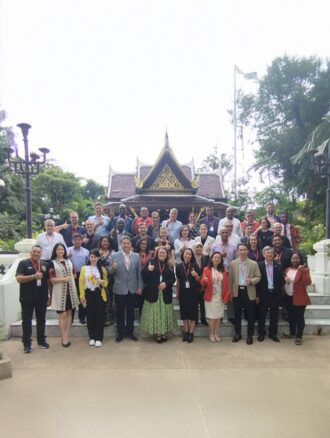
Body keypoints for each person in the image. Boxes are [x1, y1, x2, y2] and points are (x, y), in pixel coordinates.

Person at [15, 245, 50, 353]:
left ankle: (41, 340)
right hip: (27, 298)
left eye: (38, 252)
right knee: (26, 321)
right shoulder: (23, 263)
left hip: (41, 297)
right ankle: (27, 344)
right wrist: (32, 277)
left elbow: (48, 282)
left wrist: (49, 296)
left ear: (41, 253)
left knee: (41, 319)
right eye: (34, 251)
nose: (36, 253)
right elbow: (18, 278)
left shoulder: (44, 264)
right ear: (30, 252)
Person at [109, 236, 143, 342]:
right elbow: (109, 272)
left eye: (128, 243)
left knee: (130, 312)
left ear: (131, 245)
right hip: (119, 288)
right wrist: (113, 268)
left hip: (132, 288)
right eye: (124, 243)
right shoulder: (114, 256)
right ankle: (121, 333)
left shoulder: (136, 256)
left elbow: (139, 273)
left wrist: (140, 287)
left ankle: (130, 332)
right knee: (120, 312)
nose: (126, 245)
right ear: (121, 244)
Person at [140, 247, 177, 343]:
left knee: (163, 314)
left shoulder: (169, 264)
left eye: (164, 252)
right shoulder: (151, 262)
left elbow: (173, 279)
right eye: (160, 252)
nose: (162, 254)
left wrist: (166, 284)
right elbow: (143, 276)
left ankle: (163, 332)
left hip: (165, 293)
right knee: (155, 314)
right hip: (153, 293)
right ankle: (157, 333)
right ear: (157, 253)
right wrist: (148, 270)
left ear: (167, 254)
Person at [228, 243, 261, 345]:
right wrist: (230, 292)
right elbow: (230, 280)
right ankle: (238, 334)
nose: (242, 252)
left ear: (247, 251)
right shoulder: (233, 263)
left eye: (244, 250)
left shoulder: (254, 264)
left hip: (249, 290)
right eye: (240, 250)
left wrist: (252, 280)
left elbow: (258, 277)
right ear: (237, 251)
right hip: (237, 291)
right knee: (237, 315)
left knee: (250, 315)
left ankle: (249, 335)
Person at [48, 243, 79, 347]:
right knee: (63, 314)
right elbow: (52, 279)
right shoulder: (52, 263)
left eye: (62, 249)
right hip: (60, 291)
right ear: (55, 251)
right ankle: (63, 337)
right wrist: (64, 279)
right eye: (58, 249)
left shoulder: (69, 261)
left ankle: (67, 334)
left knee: (70, 313)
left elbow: (74, 274)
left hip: (70, 291)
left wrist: (72, 277)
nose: (60, 251)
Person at [79, 249, 108, 347]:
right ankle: (92, 337)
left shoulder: (102, 269)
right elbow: (81, 283)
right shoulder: (84, 268)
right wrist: (82, 296)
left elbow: (106, 283)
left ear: (98, 258)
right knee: (89, 316)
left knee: (99, 316)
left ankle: (99, 338)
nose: (93, 259)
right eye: (91, 257)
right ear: (89, 258)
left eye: (95, 257)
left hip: (99, 293)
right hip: (88, 294)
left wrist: (101, 282)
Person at [283, 253, 311, 345]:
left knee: (299, 317)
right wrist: (285, 279)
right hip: (288, 297)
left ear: (300, 259)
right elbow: (286, 278)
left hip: (299, 297)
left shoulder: (304, 269)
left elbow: (308, 282)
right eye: (293, 258)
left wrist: (303, 271)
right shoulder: (288, 269)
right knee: (291, 317)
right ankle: (292, 333)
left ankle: (299, 336)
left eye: (297, 258)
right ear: (290, 260)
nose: (295, 260)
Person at [256, 246, 283, 342]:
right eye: (267, 253)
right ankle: (261, 333)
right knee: (261, 314)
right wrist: (257, 295)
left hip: (274, 294)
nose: (270, 254)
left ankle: (273, 333)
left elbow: (280, 282)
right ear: (263, 254)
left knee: (274, 315)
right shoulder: (259, 265)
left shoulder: (278, 265)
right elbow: (257, 282)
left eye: (271, 253)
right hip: (263, 293)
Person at [201, 252, 229, 342]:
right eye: (215, 257)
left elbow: (226, 284)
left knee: (218, 317)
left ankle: (216, 333)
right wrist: (204, 281)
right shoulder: (206, 269)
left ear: (221, 260)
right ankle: (211, 334)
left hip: (220, 296)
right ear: (212, 259)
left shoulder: (224, 270)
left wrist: (226, 295)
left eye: (219, 258)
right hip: (210, 296)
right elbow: (202, 282)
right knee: (212, 317)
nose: (217, 259)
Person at [175, 248, 201, 343]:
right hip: (183, 293)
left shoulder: (195, 266)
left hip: (193, 292)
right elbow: (178, 281)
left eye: (189, 254)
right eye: (186, 254)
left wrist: (196, 276)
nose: (188, 256)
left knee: (193, 313)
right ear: (183, 255)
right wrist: (177, 293)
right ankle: (186, 332)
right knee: (184, 313)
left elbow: (200, 280)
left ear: (191, 256)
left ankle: (191, 333)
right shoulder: (178, 266)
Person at [67, 233, 90, 324]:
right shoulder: (67, 250)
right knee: (72, 296)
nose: (77, 241)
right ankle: (71, 318)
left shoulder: (86, 251)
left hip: (82, 275)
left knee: (82, 296)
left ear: (81, 241)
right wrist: (66, 256)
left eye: (79, 240)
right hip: (71, 275)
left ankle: (82, 317)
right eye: (75, 240)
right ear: (72, 241)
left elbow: (88, 264)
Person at [98, 236, 115, 326]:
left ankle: (108, 318)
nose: (105, 243)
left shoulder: (113, 253)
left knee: (109, 299)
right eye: (103, 241)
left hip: (110, 279)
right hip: (98, 279)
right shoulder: (96, 252)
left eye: (107, 241)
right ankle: (100, 318)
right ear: (100, 242)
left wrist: (108, 270)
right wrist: (100, 256)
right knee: (100, 299)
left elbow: (114, 265)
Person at [134, 237, 153, 315]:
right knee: (140, 299)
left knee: (147, 299)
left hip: (148, 279)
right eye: (142, 243)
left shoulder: (151, 254)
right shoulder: (135, 254)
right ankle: (141, 316)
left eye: (145, 244)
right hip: (138, 279)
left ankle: (147, 316)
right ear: (139, 244)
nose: (144, 245)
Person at [193, 242, 208, 325]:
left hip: (203, 283)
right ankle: (195, 319)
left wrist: (202, 280)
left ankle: (203, 319)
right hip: (193, 283)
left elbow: (207, 269)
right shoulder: (192, 258)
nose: (199, 248)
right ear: (194, 248)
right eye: (197, 247)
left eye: (200, 247)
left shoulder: (205, 258)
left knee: (203, 303)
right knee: (195, 303)